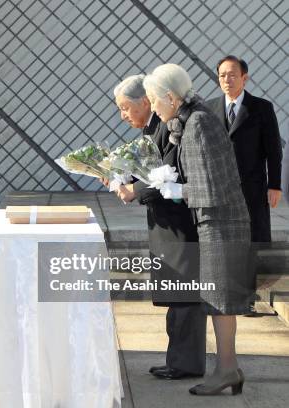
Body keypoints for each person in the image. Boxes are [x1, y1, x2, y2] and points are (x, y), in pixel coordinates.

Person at [143, 63, 252, 396]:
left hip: (221, 224)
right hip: (214, 222)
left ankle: (226, 370)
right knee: (218, 302)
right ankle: (228, 369)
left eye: (154, 101)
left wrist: (176, 190)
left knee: (220, 302)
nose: (152, 108)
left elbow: (212, 188)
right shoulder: (191, 120)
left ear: (171, 98)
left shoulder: (199, 123)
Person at [111, 75, 206, 380]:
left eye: (126, 108)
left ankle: (186, 363)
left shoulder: (168, 125)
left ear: (146, 101)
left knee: (184, 295)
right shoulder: (153, 128)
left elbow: (170, 172)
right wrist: (121, 178)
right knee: (175, 294)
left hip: (180, 225)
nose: (123, 115)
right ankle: (177, 359)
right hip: (166, 223)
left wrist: (134, 191)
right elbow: (148, 170)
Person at [206, 56, 283, 313]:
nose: (226, 80)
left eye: (232, 75)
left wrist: (275, 185)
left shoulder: (261, 108)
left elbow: (274, 150)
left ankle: (246, 298)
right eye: (222, 75)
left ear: (244, 77)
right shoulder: (210, 108)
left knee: (249, 242)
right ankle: (227, 294)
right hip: (220, 189)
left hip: (251, 188)